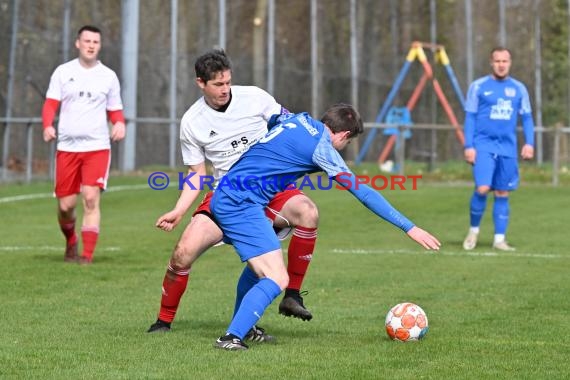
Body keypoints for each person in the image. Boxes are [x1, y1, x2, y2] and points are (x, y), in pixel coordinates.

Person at [210, 104, 441, 350]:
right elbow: (363, 192)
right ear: (343, 135)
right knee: (277, 277)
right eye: (348, 143)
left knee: (260, 268)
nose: (344, 148)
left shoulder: (298, 119)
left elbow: (274, 121)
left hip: (233, 194)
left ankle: (242, 329)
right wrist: (410, 228)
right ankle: (230, 337)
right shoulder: (323, 148)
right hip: (240, 203)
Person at [147, 49, 319, 339]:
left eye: (228, 82)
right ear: (200, 83)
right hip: (227, 194)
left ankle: (292, 295)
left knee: (307, 212)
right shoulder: (193, 121)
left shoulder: (255, 98)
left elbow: (291, 126)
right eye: (217, 84)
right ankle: (163, 322)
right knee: (182, 254)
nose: (225, 89)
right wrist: (178, 211)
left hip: (269, 187)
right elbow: (196, 174)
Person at [42, 25, 126, 265]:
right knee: (66, 206)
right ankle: (70, 240)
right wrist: (48, 125)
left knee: (90, 198)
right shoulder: (62, 72)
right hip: (67, 148)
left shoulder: (108, 76)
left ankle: (86, 257)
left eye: (95, 42)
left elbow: (115, 109)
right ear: (77, 43)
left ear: (99, 46)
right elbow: (50, 104)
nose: (91, 45)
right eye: (87, 41)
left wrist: (119, 124)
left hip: (97, 147)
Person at [462, 47, 535, 251]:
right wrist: (469, 145)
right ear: (491, 63)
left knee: (502, 192)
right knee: (483, 188)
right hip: (483, 145)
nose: (501, 64)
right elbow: (470, 117)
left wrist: (529, 142)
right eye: (497, 61)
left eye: (505, 61)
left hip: (508, 148)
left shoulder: (519, 89)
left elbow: (527, 117)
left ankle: (499, 240)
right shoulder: (478, 87)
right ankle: (473, 231)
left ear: (510, 63)